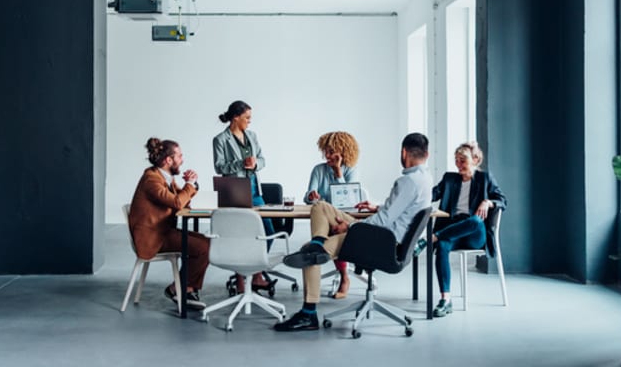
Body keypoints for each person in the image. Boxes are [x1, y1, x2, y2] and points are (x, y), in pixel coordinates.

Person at [274, 133, 432, 332]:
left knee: (309, 255)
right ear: (426, 154)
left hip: (381, 241)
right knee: (321, 207)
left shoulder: (406, 182)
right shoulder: (425, 178)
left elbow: (383, 222)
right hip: (387, 237)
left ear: (404, 152)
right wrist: (378, 207)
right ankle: (319, 241)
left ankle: (308, 314)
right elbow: (398, 211)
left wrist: (350, 227)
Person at [427, 141, 507, 318]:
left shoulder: (484, 179)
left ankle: (433, 237)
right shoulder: (449, 179)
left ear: (475, 160)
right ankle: (445, 299)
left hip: (474, 234)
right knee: (442, 246)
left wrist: (488, 201)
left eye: (462, 160)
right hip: (453, 230)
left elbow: (503, 200)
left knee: (476, 221)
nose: (458, 164)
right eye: (456, 160)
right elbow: (431, 195)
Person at [128, 137, 209, 310]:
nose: (182, 159)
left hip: (163, 231)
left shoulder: (164, 177)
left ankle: (183, 288)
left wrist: (192, 185)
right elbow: (178, 202)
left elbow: (182, 199)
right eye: (180, 156)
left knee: (206, 243)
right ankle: (182, 290)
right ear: (168, 160)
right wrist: (189, 185)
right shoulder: (151, 179)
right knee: (203, 247)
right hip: (153, 238)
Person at [212, 100, 275, 293]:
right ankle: (241, 278)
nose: (249, 121)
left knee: (267, 231)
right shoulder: (221, 139)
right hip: (234, 190)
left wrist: (255, 164)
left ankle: (255, 274)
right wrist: (241, 164)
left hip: (255, 189)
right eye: (247, 117)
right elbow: (219, 166)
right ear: (235, 118)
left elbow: (263, 159)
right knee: (240, 234)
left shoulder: (252, 136)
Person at [304, 131, 362, 299]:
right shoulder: (318, 170)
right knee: (328, 225)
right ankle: (320, 249)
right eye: (326, 151)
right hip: (324, 216)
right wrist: (311, 196)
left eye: (331, 152)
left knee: (336, 228)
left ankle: (343, 275)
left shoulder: (351, 171)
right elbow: (308, 195)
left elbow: (348, 199)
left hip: (343, 215)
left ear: (343, 152)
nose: (327, 156)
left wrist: (338, 172)